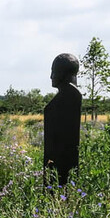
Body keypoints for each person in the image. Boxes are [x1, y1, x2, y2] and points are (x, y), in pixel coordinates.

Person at [43, 53, 82, 186]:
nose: (51, 77)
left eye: (53, 72)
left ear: (63, 73)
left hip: (61, 169)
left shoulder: (69, 97)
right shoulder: (64, 98)